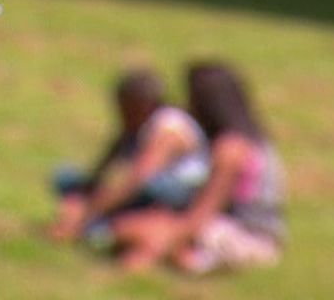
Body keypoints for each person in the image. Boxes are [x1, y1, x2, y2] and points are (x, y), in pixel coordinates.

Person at [112, 62, 286, 275]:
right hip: (247, 232)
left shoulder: (230, 150)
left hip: (247, 239)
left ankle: (173, 261)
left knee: (132, 229)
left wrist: (162, 233)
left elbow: (198, 219)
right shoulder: (257, 142)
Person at [48, 68, 211, 250]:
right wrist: (88, 189)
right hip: (142, 191)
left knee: (149, 185)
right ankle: (100, 224)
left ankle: (109, 227)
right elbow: (106, 164)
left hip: (176, 193)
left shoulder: (169, 129)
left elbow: (137, 180)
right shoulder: (138, 125)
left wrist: (86, 214)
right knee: (66, 175)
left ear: (141, 104)